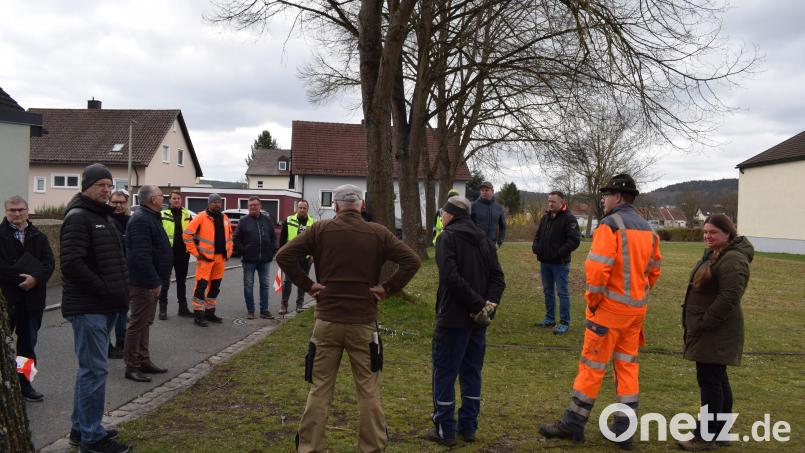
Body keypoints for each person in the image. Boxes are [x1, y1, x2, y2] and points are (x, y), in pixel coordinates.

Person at [276, 184, 421, 453]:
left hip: (327, 321)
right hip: (363, 323)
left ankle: (309, 447)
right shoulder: (378, 232)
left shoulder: (320, 230)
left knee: (320, 388)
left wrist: (308, 285)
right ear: (361, 206)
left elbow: (284, 255)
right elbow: (412, 260)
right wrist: (387, 289)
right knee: (368, 389)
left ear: (336, 206)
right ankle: (372, 447)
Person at [539, 174, 662, 450]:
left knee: (592, 367)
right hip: (635, 312)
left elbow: (597, 270)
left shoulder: (609, 225)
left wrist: (593, 302)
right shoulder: (648, 229)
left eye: (606, 195)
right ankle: (624, 431)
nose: (603, 199)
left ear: (617, 197)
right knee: (627, 368)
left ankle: (573, 423)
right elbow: (654, 270)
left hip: (607, 312)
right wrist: (637, 296)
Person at [61, 163, 131, 453]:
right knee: (94, 371)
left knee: (90, 371)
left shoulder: (102, 216)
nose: (106, 190)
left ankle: (81, 429)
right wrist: (104, 289)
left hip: (105, 306)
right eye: (100, 185)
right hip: (88, 306)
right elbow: (71, 263)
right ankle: (92, 438)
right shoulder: (79, 217)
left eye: (109, 185)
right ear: (86, 187)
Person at [426, 196, 505, 446]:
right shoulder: (485, 239)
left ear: (451, 214)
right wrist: (487, 308)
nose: (441, 217)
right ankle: (468, 426)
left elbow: (450, 277)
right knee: (472, 374)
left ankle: (445, 429)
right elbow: (498, 279)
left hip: (452, 320)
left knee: (444, 374)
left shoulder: (446, 238)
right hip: (478, 322)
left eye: (443, 213)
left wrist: (479, 306)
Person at [678, 214, 752, 451]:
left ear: (728, 233)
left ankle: (704, 436)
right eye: (705, 232)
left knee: (710, 382)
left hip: (715, 331)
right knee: (717, 379)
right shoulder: (717, 254)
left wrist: (704, 322)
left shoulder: (733, 259)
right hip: (711, 330)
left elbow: (730, 296)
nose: (707, 236)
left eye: (713, 232)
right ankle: (721, 432)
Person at [0, 195, 55, 402]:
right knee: (2, 346)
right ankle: (5, 385)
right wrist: (20, 279)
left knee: (27, 346)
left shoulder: (38, 236)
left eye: (21, 210)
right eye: (12, 210)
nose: (17, 214)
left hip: (32, 302)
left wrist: (36, 279)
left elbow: (49, 263)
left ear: (27, 210)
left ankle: (25, 384)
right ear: (6, 212)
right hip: (7, 300)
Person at [123, 185, 172, 383]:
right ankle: (132, 366)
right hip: (143, 282)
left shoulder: (151, 217)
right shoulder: (141, 220)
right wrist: (154, 281)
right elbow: (140, 255)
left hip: (152, 281)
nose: (163, 199)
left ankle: (143, 360)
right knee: (137, 324)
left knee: (145, 323)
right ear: (153, 199)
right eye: (161, 196)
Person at [532, 191, 581, 334]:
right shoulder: (545, 218)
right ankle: (550, 319)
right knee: (548, 291)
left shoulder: (569, 219)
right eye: (549, 201)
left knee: (562, 293)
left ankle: (564, 322)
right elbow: (538, 235)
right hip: (545, 262)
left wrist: (559, 253)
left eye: (553, 201)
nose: (550, 204)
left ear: (562, 202)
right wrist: (535, 247)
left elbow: (574, 241)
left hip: (560, 264)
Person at [182, 193, 233, 327]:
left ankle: (210, 312)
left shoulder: (225, 217)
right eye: (214, 202)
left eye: (219, 202)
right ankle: (198, 314)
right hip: (205, 259)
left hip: (220, 258)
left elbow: (229, 237)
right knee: (201, 286)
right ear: (209, 203)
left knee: (215, 287)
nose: (217, 204)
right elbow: (187, 234)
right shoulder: (201, 217)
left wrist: (229, 252)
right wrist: (195, 252)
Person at [233, 196, 277, 319]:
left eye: (255, 205)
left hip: (265, 260)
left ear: (260, 206)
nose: (253, 207)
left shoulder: (267, 220)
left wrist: (272, 251)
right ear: (248, 207)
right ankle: (250, 311)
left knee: (265, 285)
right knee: (248, 285)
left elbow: (273, 237)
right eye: (250, 205)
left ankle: (264, 310)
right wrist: (244, 251)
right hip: (249, 260)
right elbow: (236, 239)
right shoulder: (243, 221)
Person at [159, 190, 194, 319]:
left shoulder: (187, 214)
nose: (176, 200)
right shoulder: (162, 214)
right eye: (174, 198)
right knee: (165, 282)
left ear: (181, 200)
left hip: (183, 253)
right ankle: (162, 309)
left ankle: (183, 308)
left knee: (181, 282)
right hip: (167, 253)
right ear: (170, 200)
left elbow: (193, 232)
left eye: (178, 198)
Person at [279, 199, 315, 314]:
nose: (302, 210)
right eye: (300, 208)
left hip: (305, 258)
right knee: (287, 282)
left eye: (304, 208)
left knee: (303, 282)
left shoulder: (313, 222)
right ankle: (284, 306)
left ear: (307, 209)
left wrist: (313, 255)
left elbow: (316, 241)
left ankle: (299, 305)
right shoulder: (289, 220)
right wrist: (282, 255)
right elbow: (282, 239)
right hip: (291, 257)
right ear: (296, 208)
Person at [107, 189, 130, 359]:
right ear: (109, 202)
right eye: (115, 202)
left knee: (123, 311)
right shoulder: (104, 221)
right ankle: (107, 345)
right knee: (109, 313)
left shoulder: (131, 221)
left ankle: (122, 343)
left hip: (127, 273)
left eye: (121, 202)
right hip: (110, 274)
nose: (118, 205)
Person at [471, 181, 506, 248]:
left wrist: (499, 242)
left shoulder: (498, 208)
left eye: (486, 190)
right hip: (476, 245)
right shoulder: (474, 206)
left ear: (492, 191)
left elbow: (503, 227)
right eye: (482, 190)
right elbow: (468, 225)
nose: (484, 192)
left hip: (492, 245)